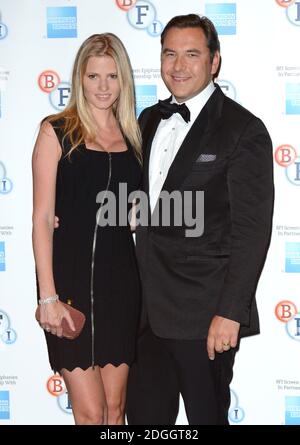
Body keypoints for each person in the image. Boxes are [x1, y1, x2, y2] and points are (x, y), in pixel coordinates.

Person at [126, 14, 274, 425]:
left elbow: (252, 230)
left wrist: (230, 312)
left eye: (192, 54)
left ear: (214, 62)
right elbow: (141, 199)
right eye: (170, 54)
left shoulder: (243, 129)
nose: (178, 65)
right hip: (144, 315)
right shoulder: (149, 120)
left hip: (204, 317)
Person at [32, 33, 142, 425]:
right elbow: (43, 218)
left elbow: (132, 210)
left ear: (123, 80)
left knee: (114, 412)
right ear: (79, 78)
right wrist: (48, 295)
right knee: (91, 413)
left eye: (112, 77)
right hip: (70, 288)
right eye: (93, 76)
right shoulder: (56, 131)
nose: (102, 87)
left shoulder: (132, 137)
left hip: (121, 288)